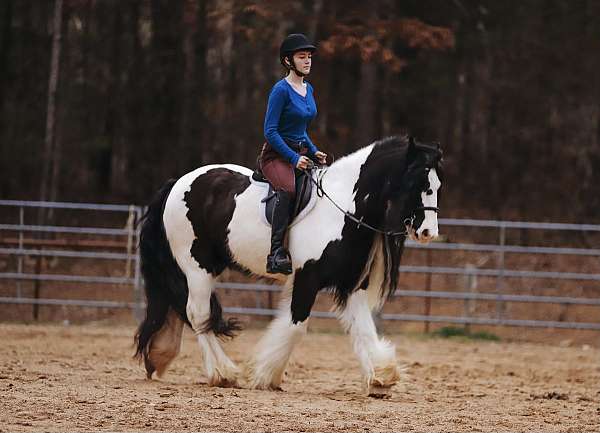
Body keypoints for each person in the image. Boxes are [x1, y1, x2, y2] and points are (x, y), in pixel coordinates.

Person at [260, 33, 327, 275]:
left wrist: (314, 150)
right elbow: (270, 131)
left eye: (309, 57)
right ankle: (276, 253)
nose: (308, 61)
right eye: (302, 57)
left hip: (299, 153)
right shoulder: (281, 90)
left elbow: (301, 130)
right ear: (288, 61)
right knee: (287, 190)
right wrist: (293, 158)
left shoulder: (308, 89)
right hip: (275, 156)